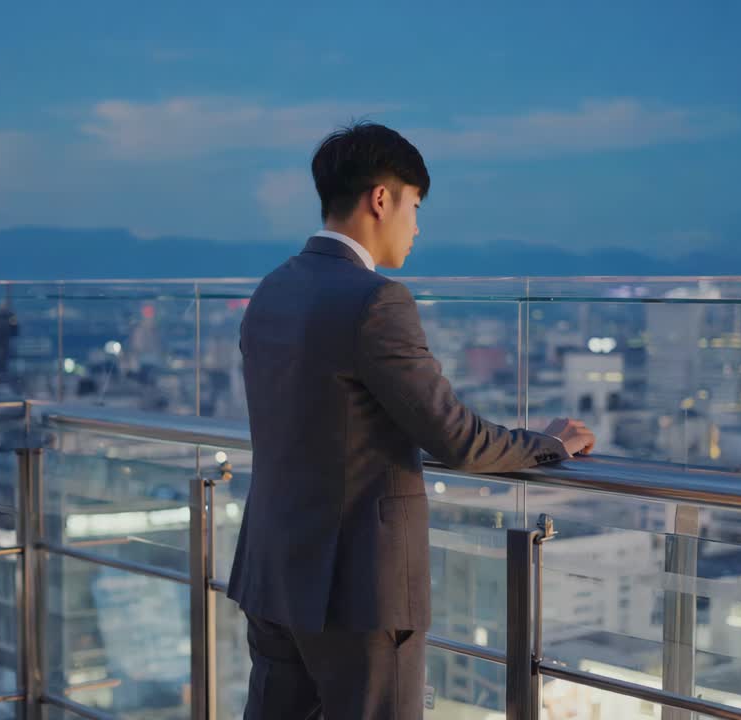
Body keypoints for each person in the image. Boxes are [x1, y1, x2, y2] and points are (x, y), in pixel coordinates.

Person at [226, 122, 597, 719]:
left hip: (272, 573)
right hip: (356, 593)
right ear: (381, 198)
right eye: (415, 205)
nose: (417, 226)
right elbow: (455, 437)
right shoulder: (376, 300)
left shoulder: (271, 289)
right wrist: (548, 444)